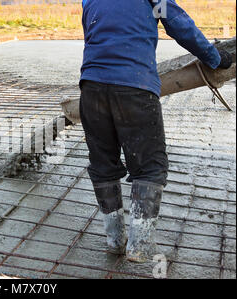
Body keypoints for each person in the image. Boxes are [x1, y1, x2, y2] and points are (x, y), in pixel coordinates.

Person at [79, 0, 233, 262]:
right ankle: (138, 247)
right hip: (134, 88)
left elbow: (94, 32)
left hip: (91, 89)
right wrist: (216, 58)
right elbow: (179, 25)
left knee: (103, 164)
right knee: (150, 167)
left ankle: (115, 241)